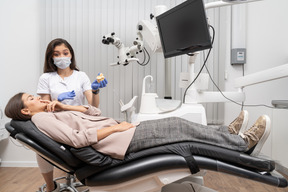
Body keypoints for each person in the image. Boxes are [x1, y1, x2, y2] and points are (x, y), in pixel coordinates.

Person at [5, 93, 271, 162]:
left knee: (178, 125)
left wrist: (66, 107)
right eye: (32, 99)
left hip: (123, 134)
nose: (39, 98)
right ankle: (241, 145)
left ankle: (227, 133)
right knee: (178, 126)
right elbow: (76, 139)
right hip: (120, 141)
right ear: (26, 111)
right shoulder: (40, 119)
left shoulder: (51, 112)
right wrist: (115, 129)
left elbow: (94, 112)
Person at [35, 38, 108, 192]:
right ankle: (50, 187)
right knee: (40, 146)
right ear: (51, 57)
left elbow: (93, 106)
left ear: (71, 54)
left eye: (65, 53)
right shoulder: (46, 78)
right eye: (57, 54)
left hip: (79, 121)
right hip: (57, 122)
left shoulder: (81, 76)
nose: (62, 57)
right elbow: (44, 109)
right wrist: (57, 101)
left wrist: (95, 90)